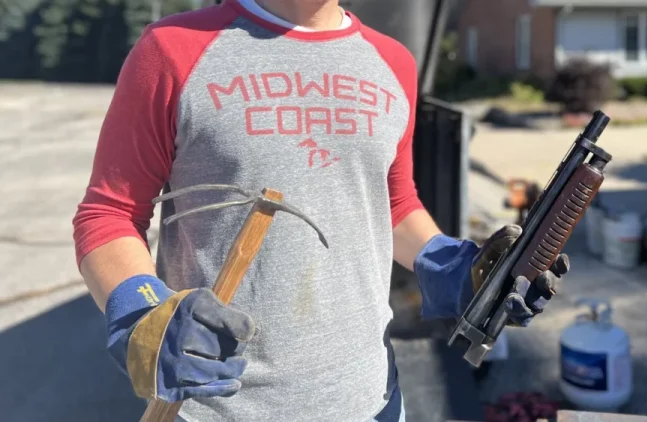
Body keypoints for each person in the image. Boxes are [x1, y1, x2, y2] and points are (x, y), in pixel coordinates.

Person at [71, 0, 570, 421]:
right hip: (215, 408)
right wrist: (140, 309)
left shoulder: (391, 61)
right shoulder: (173, 49)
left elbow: (393, 201)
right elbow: (109, 213)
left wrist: (447, 260)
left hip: (370, 400)